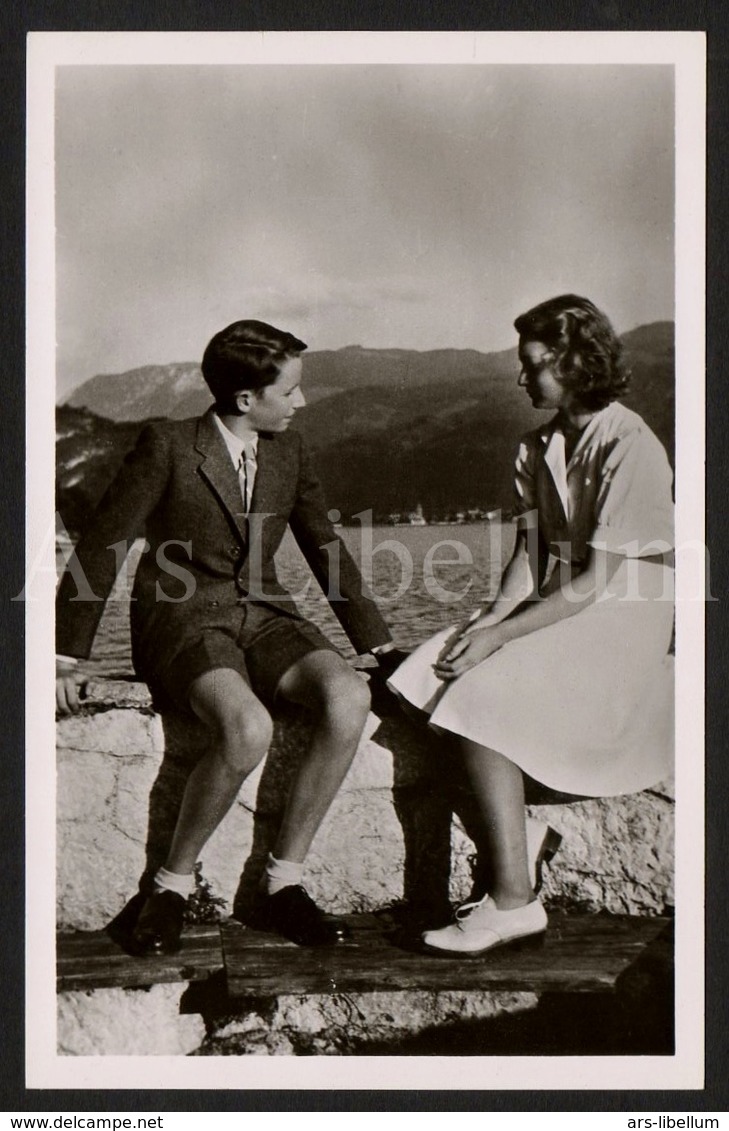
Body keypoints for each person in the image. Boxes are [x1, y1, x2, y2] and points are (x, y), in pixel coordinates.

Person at [56, 319, 404, 956]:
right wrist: (65, 657)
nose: (301, 403)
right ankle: (169, 886)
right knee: (247, 729)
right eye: (291, 391)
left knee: (348, 697)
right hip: (183, 619)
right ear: (246, 399)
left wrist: (377, 644)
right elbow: (101, 547)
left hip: (266, 615)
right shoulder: (166, 445)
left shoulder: (289, 454)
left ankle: (283, 885)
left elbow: (324, 548)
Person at [387, 295, 674, 956]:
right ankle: (522, 836)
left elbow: (590, 585)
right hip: (569, 600)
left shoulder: (628, 444)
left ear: (576, 364)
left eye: (535, 366)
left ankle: (513, 901)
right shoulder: (535, 445)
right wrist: (485, 619)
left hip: (623, 613)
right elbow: (529, 555)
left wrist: (499, 637)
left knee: (480, 692)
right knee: (421, 674)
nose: (523, 379)